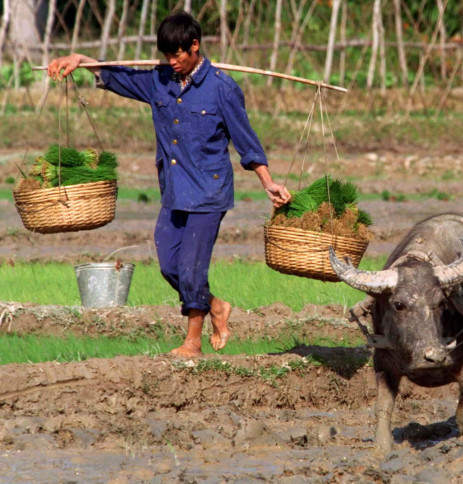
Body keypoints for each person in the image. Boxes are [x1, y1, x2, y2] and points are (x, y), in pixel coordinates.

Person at [47, 11, 291, 357]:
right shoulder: (159, 81)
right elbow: (117, 75)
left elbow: (246, 140)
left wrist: (268, 182)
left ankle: (193, 342)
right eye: (167, 55)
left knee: (191, 268)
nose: (173, 61)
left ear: (195, 46)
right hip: (174, 190)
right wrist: (80, 60)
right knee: (168, 265)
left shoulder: (222, 89)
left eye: (178, 54)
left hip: (208, 192)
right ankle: (216, 306)